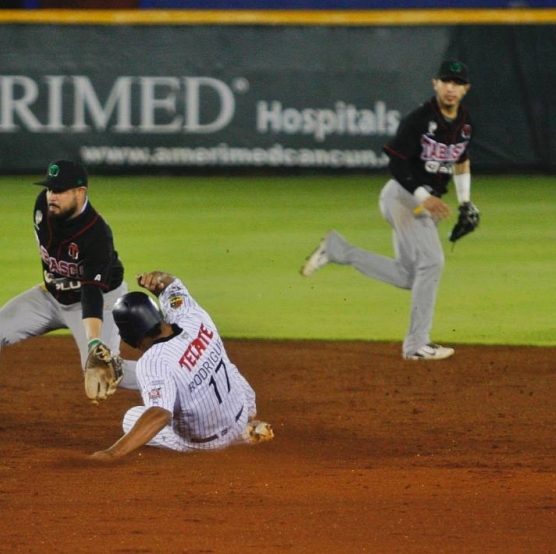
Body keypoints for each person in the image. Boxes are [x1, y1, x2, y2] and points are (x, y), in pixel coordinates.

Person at [0, 159, 138, 432]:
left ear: (81, 193)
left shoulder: (97, 234)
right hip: (51, 296)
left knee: (108, 370)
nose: (51, 195)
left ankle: (175, 375)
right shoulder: (43, 205)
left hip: (99, 301)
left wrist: (94, 345)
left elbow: (91, 294)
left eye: (60, 190)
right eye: (50, 188)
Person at [300, 60, 477, 361]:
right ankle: (416, 345)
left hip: (423, 203)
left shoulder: (464, 123)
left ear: (466, 89)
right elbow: (396, 162)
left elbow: (461, 160)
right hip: (405, 197)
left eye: (457, 82)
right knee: (432, 263)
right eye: (446, 81)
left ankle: (338, 250)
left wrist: (465, 201)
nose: (451, 87)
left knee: (411, 276)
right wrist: (423, 196)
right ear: (435, 83)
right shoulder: (419, 120)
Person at [90, 271, 272, 461]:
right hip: (241, 411)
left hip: (207, 443)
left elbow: (160, 414)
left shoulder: (153, 361)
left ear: (130, 338)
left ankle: (239, 439)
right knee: (223, 363)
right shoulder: (191, 315)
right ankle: (249, 423)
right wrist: (159, 277)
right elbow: (170, 284)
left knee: (131, 418)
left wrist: (111, 454)